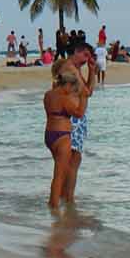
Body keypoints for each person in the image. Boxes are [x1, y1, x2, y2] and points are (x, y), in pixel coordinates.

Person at [43, 59, 84, 211]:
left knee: (59, 173)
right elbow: (79, 113)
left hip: (49, 134)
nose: (71, 90)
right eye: (70, 87)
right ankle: (53, 209)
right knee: (59, 175)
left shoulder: (48, 95)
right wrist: (84, 98)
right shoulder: (64, 98)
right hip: (62, 136)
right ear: (66, 84)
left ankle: (55, 206)